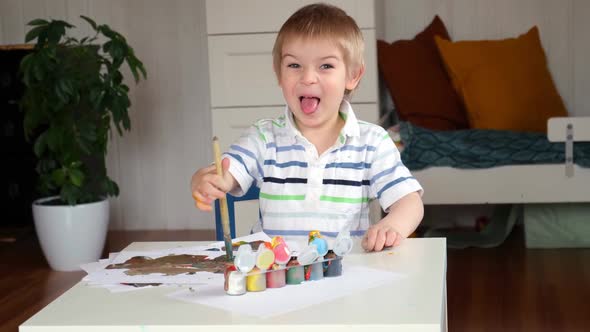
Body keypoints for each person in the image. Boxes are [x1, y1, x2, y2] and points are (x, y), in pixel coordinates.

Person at [191, 3, 423, 252]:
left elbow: (409, 201)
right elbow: (226, 172)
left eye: (326, 66)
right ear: (279, 73)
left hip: (344, 276)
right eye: (294, 65)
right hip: (275, 278)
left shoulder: (372, 142)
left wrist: (392, 226)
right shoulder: (263, 137)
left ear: (353, 76)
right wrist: (208, 180)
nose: (308, 77)